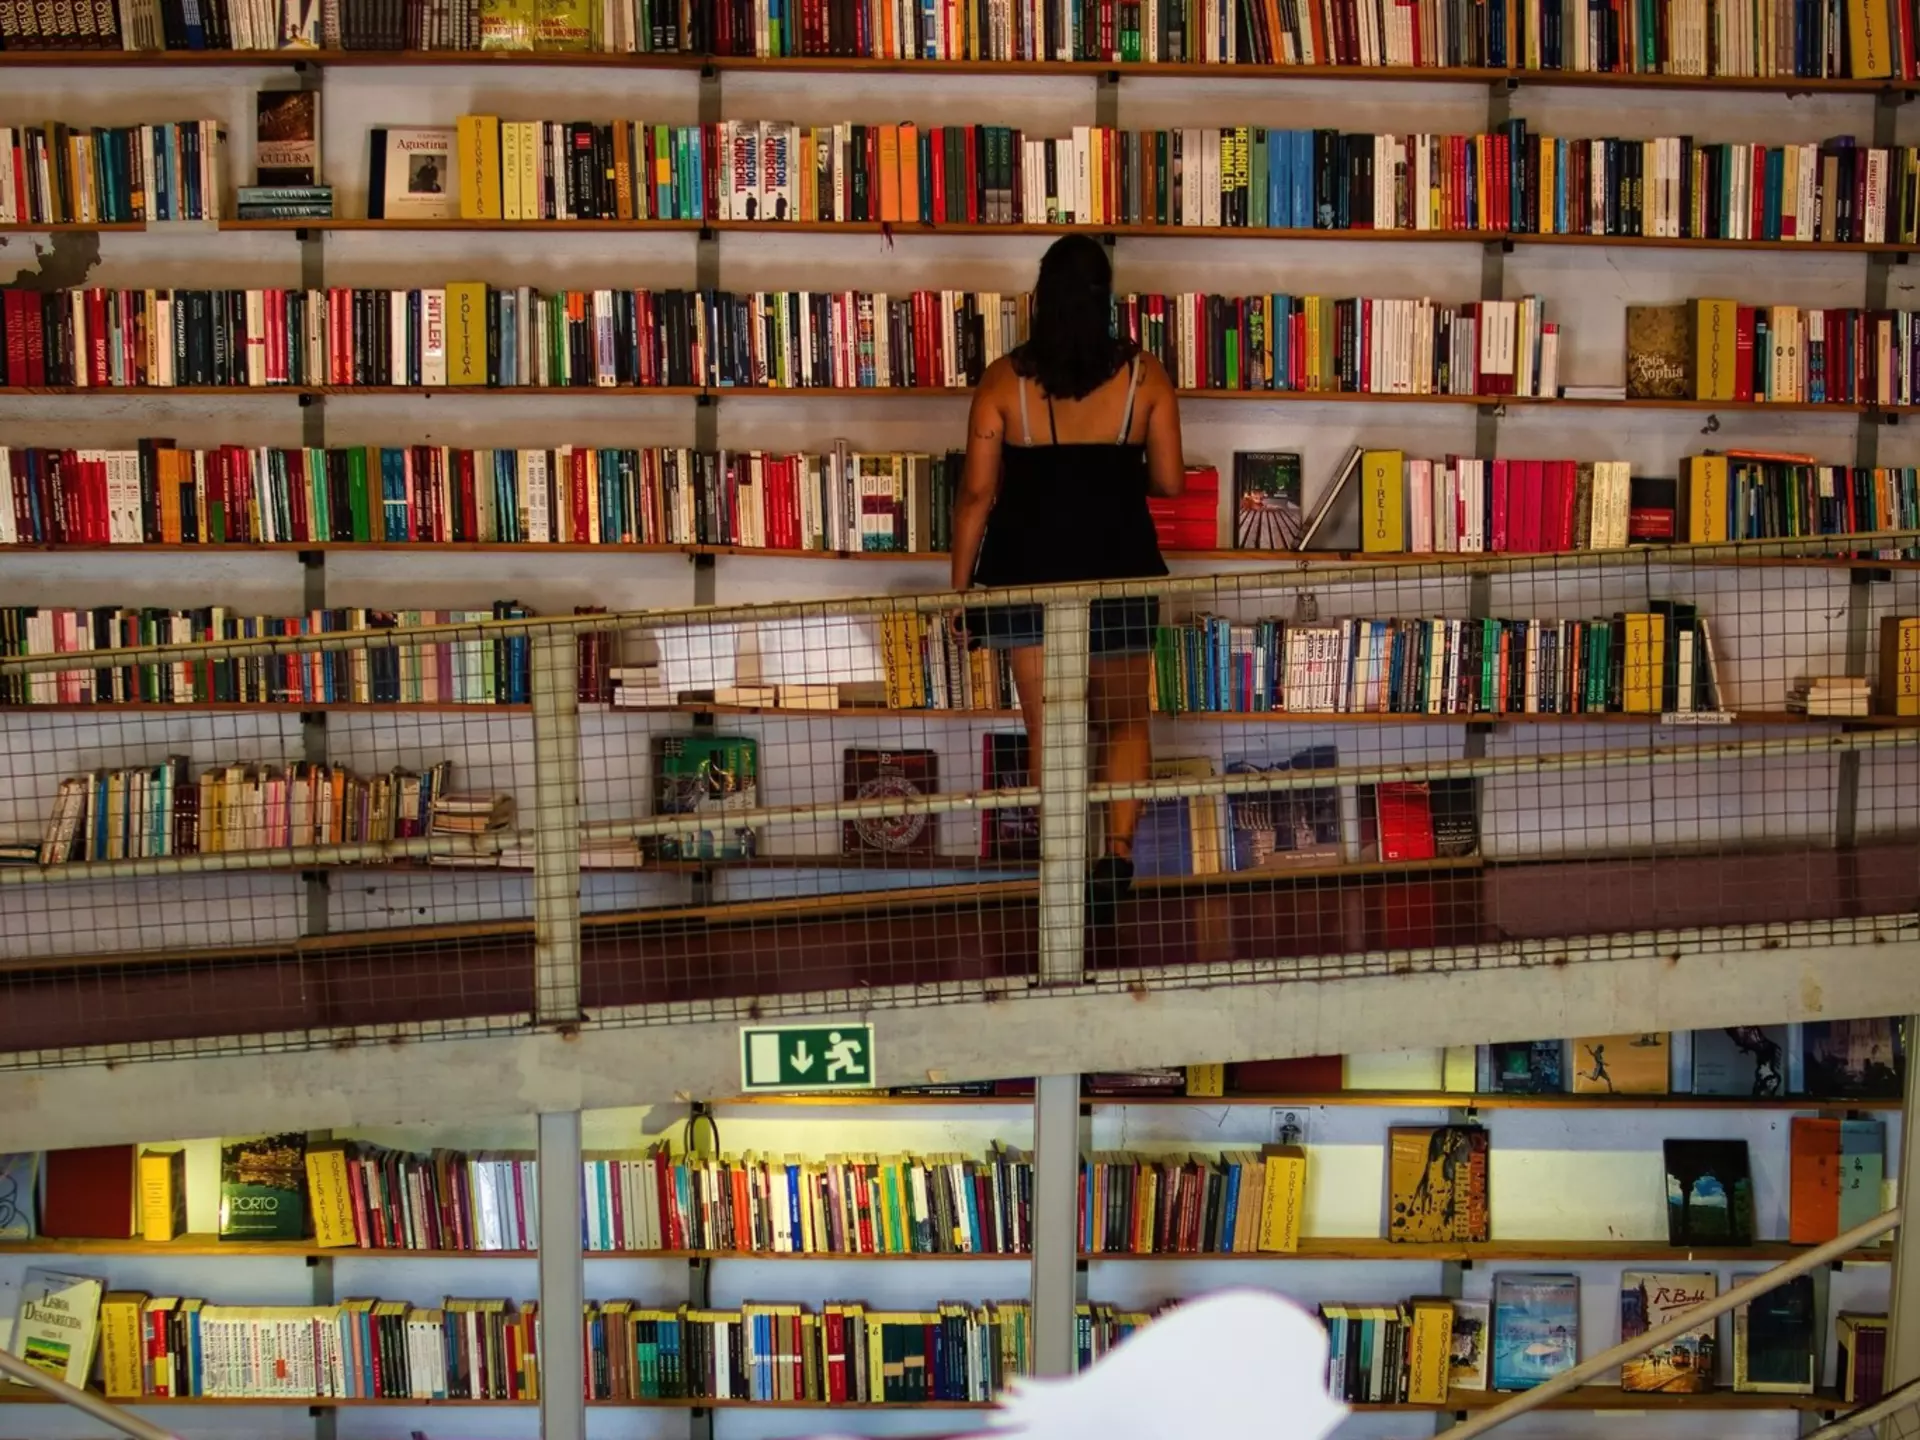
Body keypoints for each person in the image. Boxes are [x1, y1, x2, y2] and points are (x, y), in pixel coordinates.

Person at [948, 235, 1185, 911]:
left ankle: (1062, 870)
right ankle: (1115, 856)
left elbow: (975, 497)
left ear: (1041, 299)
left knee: (1050, 728)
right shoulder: (1147, 377)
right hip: (1120, 567)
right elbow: (1168, 481)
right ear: (1105, 301)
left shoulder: (1002, 381)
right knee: (1123, 722)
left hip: (1030, 572)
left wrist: (960, 589)